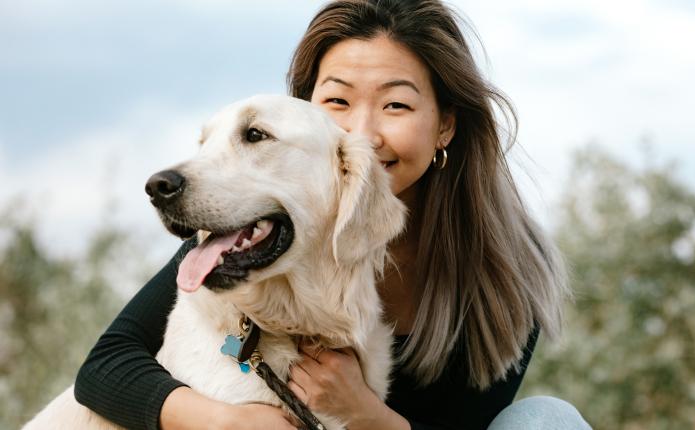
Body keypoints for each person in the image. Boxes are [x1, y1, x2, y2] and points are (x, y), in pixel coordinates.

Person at [74, 1, 591, 429]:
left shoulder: (508, 265)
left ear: (444, 126)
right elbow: (106, 366)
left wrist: (367, 413)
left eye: (396, 106)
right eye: (337, 101)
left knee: (548, 419)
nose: (361, 131)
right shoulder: (260, 229)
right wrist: (227, 421)